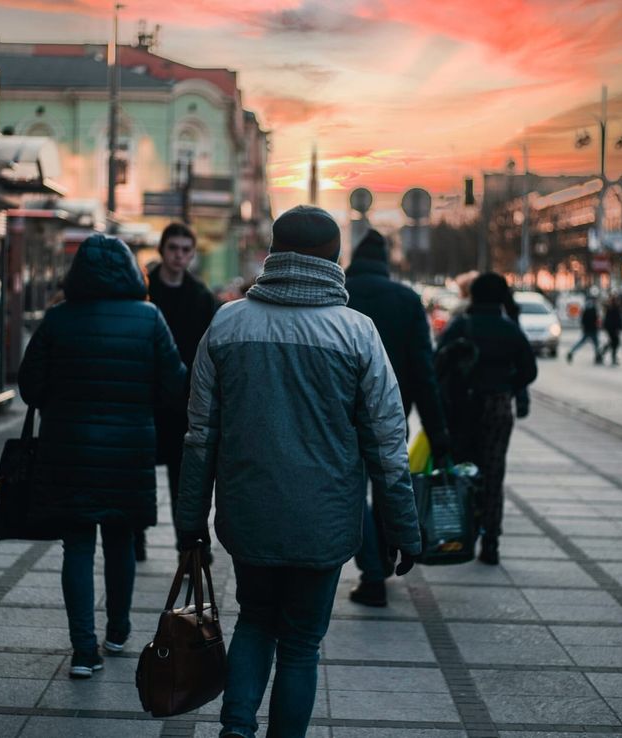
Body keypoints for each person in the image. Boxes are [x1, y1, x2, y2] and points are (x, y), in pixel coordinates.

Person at [175, 206, 420, 738]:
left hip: (249, 514)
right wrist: (403, 527)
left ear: (273, 252)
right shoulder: (357, 333)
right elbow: (387, 442)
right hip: (324, 522)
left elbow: (199, 435)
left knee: (255, 621)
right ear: (336, 257)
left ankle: (235, 729)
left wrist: (190, 519)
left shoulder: (228, 322)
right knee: (302, 644)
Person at [18, 235, 185, 679]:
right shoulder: (150, 319)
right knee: (120, 540)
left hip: (67, 449)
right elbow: (175, 386)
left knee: (76, 545)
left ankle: (83, 650)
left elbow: (30, 388)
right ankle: (118, 628)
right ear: (132, 271)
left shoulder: (57, 319)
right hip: (128, 449)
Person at [344, 228, 449, 607]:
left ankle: (372, 574)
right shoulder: (406, 300)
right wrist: (438, 434)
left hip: (342, 414)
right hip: (392, 412)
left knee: (354, 494)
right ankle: (387, 554)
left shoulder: (340, 294)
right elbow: (425, 372)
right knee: (388, 486)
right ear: (386, 262)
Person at [438, 273, 537, 565]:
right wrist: (507, 385)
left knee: (464, 471)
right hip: (497, 407)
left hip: (463, 406)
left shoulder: (461, 326)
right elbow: (529, 370)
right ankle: (491, 542)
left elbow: (438, 361)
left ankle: (462, 536)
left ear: (474, 296)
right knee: (494, 474)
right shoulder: (510, 330)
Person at [143, 222, 218, 563]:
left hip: (184, 403)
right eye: (173, 248)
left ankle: (187, 549)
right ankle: (134, 538)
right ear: (162, 249)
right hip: (144, 399)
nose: (179, 255)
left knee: (183, 480)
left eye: (186, 249)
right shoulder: (143, 290)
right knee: (139, 474)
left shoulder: (201, 297)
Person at [566, 294, 601, 364]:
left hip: (587, 329)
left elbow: (583, 319)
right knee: (596, 344)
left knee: (582, 342)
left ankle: (571, 352)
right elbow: (596, 319)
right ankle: (598, 356)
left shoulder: (586, 308)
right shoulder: (593, 308)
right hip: (592, 329)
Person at [598, 294, 622, 366]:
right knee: (615, 342)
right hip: (612, 328)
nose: (619, 301)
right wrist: (617, 328)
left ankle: (602, 354)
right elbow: (613, 320)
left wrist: (620, 327)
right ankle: (611, 357)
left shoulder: (615, 308)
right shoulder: (612, 308)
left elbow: (620, 319)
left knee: (613, 342)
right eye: (617, 300)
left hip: (613, 328)